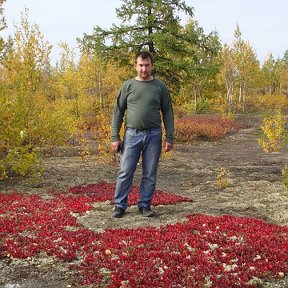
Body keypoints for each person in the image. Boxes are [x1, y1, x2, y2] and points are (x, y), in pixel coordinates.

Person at [111, 51, 174, 218]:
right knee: (125, 171)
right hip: (132, 135)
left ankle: (145, 205)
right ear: (135, 66)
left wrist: (170, 137)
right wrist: (115, 137)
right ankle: (119, 205)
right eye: (141, 65)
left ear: (152, 66)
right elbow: (118, 112)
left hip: (154, 135)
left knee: (150, 172)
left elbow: (167, 112)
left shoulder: (160, 87)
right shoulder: (127, 86)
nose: (144, 69)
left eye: (147, 65)